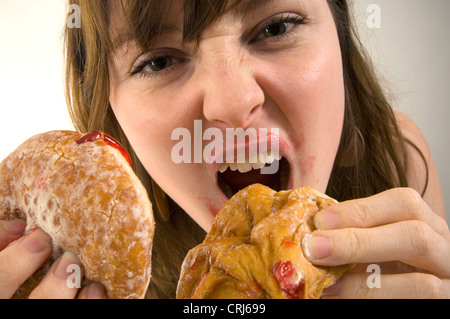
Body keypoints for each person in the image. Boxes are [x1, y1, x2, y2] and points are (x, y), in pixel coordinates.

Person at [1, 0, 448, 299]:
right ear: (110, 113)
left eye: (276, 27)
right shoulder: (81, 274)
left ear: (342, 38)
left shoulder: (394, 158)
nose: (233, 105)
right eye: (158, 61)